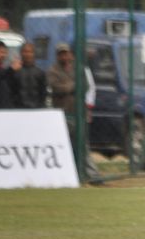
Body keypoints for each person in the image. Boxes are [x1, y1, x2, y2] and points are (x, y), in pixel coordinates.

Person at [47, 43, 102, 182]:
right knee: (63, 146)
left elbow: (86, 86)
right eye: (61, 54)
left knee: (83, 145)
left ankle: (92, 175)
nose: (65, 56)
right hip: (62, 114)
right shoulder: (53, 70)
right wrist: (72, 86)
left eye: (66, 53)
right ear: (57, 56)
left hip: (78, 113)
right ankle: (67, 175)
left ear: (71, 54)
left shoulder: (79, 68)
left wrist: (68, 86)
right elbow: (56, 87)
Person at [11, 42, 47, 109]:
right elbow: (11, 93)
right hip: (18, 110)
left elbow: (43, 93)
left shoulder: (40, 73)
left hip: (36, 109)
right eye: (25, 52)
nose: (28, 54)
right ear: (21, 53)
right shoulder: (15, 72)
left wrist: (41, 107)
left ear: (34, 54)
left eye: (30, 52)